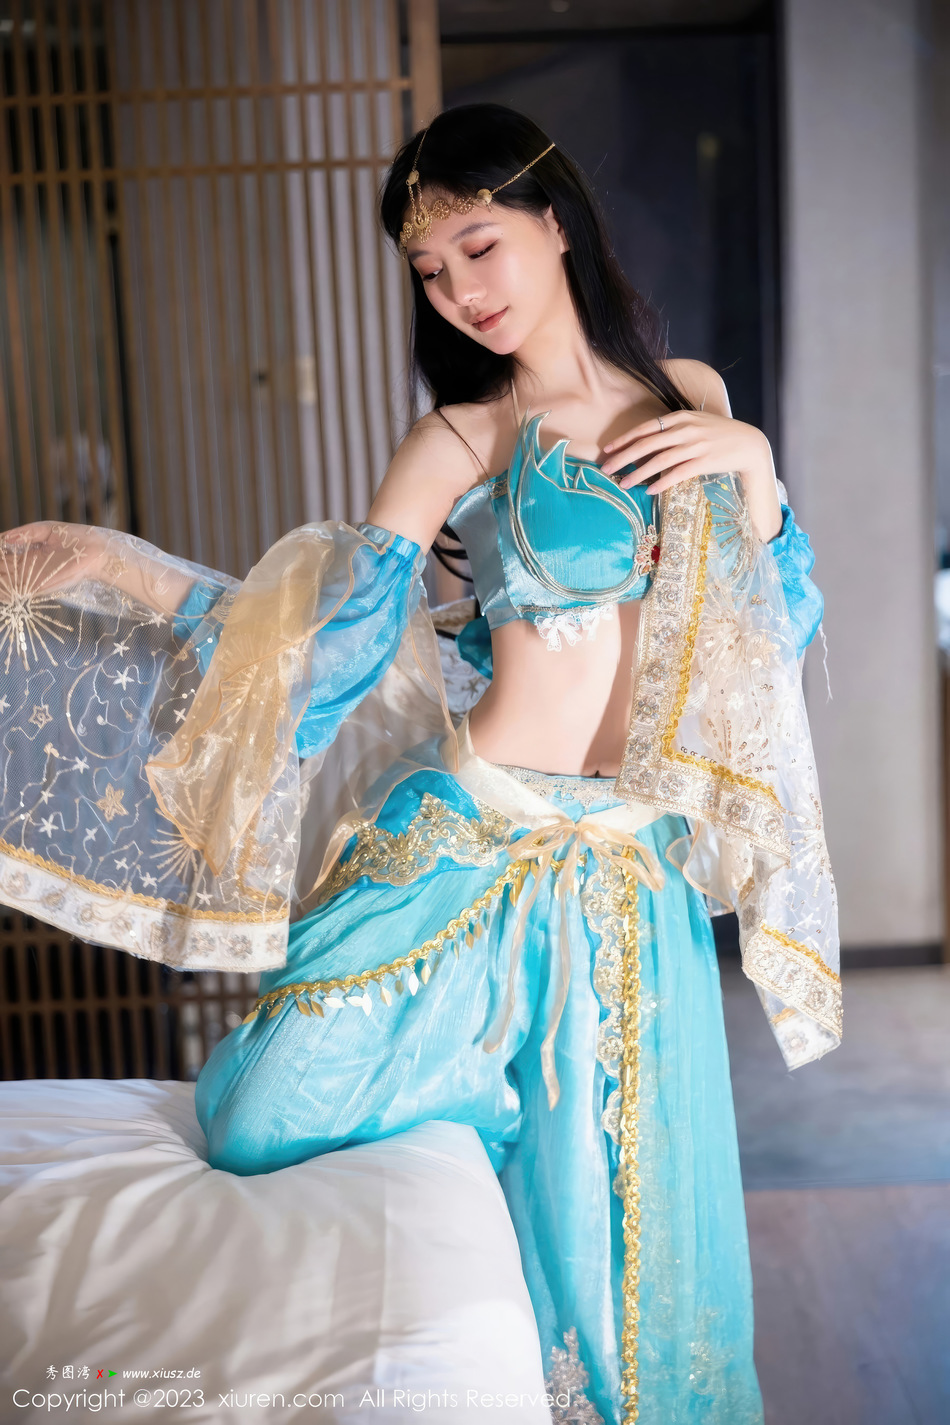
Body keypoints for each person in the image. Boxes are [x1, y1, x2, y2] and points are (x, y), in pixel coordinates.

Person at [0, 104, 839, 1425]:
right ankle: (472, 1098)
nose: (459, 291)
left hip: (632, 879)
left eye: (478, 246)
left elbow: (770, 633)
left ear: (553, 222)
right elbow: (327, 636)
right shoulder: (460, 438)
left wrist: (756, 466)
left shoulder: (696, 399)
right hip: (465, 844)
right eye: (431, 271)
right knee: (261, 1110)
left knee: (634, 1230)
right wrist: (122, 568)